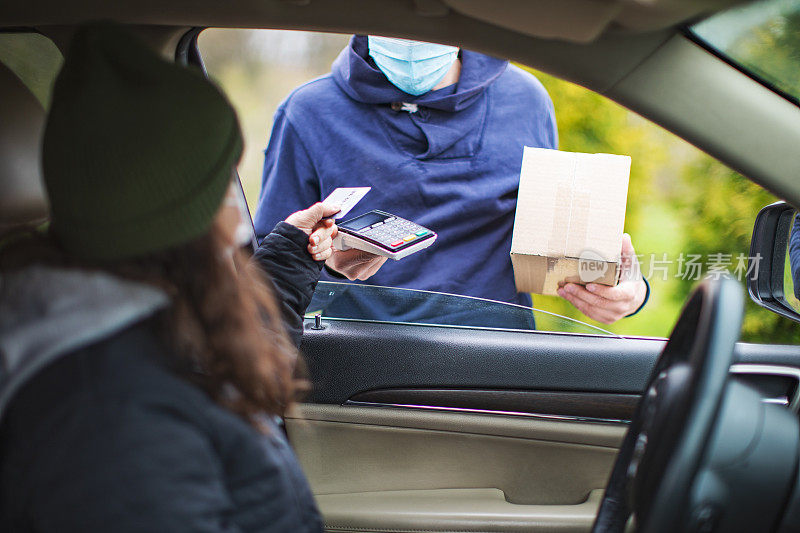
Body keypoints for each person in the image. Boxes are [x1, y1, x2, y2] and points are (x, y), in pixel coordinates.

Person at [0, 25, 336, 532]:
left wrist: (291, 255)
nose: (236, 211)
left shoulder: (139, 319)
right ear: (181, 220)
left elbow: (215, 357)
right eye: (223, 182)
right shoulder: (109, 420)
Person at [254, 35, 648, 325]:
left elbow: (560, 244)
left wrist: (629, 289)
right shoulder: (308, 113)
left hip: (495, 365)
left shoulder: (525, 100)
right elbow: (270, 273)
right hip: (360, 370)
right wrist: (332, 263)